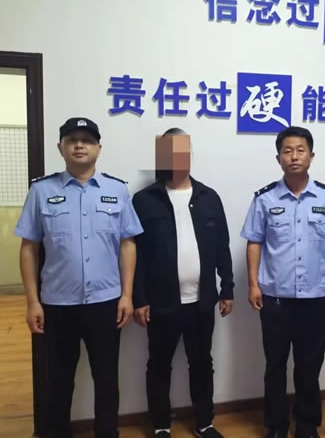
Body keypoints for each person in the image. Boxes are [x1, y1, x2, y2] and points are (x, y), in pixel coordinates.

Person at [15, 117, 143, 438]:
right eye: (72, 140)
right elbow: (29, 248)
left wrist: (127, 295)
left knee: (107, 380)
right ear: (60, 148)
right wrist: (32, 302)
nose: (79, 145)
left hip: (106, 302)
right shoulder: (41, 191)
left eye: (87, 140)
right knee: (58, 381)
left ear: (99, 148)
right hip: (58, 304)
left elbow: (127, 244)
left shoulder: (117, 190)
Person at [240, 126, 325, 438]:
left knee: (309, 366)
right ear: (278, 158)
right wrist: (253, 284)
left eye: (300, 150)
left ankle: (306, 425)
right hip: (275, 298)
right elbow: (254, 242)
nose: (294, 156)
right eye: (287, 151)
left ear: (311, 156)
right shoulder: (264, 199)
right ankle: (276, 426)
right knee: (275, 366)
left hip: (315, 299)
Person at [132, 127, 234, 438]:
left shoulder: (209, 198)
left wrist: (227, 288)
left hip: (201, 302)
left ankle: (204, 422)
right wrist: (139, 298)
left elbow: (222, 246)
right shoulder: (143, 200)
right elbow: (136, 255)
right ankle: (161, 426)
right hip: (160, 303)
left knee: (201, 363)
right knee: (159, 365)